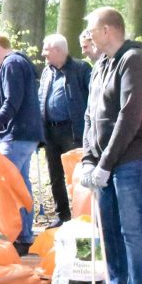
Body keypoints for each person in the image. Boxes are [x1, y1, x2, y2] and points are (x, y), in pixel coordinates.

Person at [78, 7, 142, 284]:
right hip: (104, 161)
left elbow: (129, 117)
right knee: (109, 229)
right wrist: (89, 158)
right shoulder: (101, 64)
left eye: (91, 29)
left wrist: (106, 163)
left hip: (131, 159)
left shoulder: (134, 60)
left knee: (131, 229)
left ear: (107, 30)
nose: (88, 35)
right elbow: (90, 115)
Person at [0, 33, 44, 254]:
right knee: (21, 185)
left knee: (6, 186)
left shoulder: (11, 63)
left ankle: (17, 234)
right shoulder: (21, 62)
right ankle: (24, 236)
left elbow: (12, 100)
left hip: (16, 134)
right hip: (27, 134)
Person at [37, 33, 92, 228]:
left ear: (58, 50)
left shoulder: (81, 69)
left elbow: (94, 98)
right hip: (50, 131)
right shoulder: (47, 72)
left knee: (76, 175)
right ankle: (62, 215)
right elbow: (41, 99)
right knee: (55, 175)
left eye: (46, 50)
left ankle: (81, 215)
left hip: (73, 130)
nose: (43, 54)